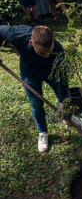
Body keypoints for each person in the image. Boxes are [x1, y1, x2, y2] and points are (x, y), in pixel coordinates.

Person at [0, 25, 70, 153]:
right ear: (31, 43)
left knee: (65, 99)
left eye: (50, 51)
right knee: (36, 105)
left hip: (52, 72)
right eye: (43, 52)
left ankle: (67, 116)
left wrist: (61, 101)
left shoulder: (58, 50)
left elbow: (62, 77)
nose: (48, 55)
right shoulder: (16, 35)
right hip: (30, 72)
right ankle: (42, 132)